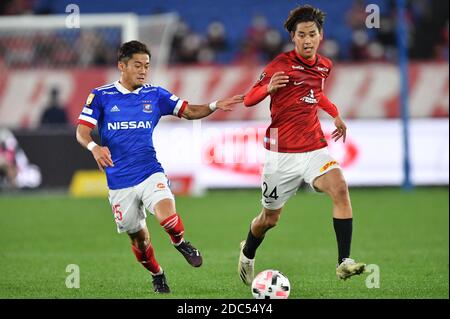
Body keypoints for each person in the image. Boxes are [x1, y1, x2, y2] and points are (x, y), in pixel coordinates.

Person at [76, 40, 243, 293]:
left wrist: (213, 106)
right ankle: (158, 274)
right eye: (137, 65)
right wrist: (94, 148)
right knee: (140, 241)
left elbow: (188, 111)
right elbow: (82, 131)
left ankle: (181, 242)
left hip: (149, 170)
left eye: (147, 66)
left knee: (168, 217)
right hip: (119, 180)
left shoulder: (155, 95)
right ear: (122, 66)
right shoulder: (101, 96)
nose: (143, 71)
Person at [238, 5, 365, 285]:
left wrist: (335, 114)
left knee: (340, 187)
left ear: (321, 35)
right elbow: (248, 99)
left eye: (312, 34)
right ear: (293, 38)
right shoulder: (278, 65)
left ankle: (344, 261)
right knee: (269, 220)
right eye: (301, 35)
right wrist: (268, 89)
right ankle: (247, 252)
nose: (307, 40)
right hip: (280, 155)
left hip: (313, 149)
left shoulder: (324, 66)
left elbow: (316, 93)